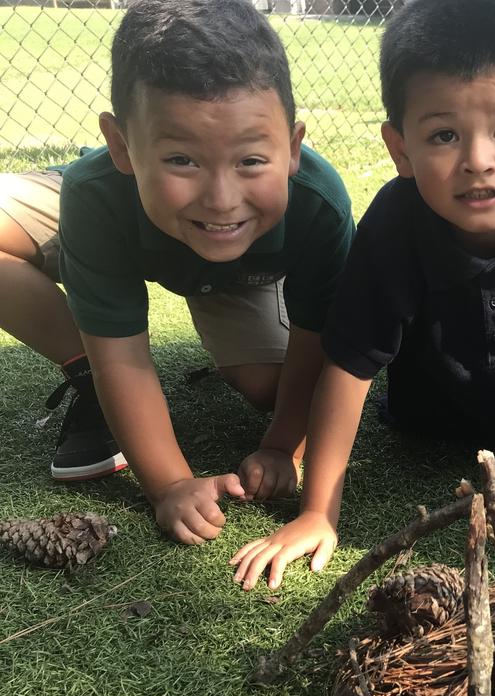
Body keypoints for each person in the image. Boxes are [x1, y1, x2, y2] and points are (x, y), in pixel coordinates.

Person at [230, 0, 495, 594]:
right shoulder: (391, 225)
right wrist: (318, 512)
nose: (477, 161)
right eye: (443, 135)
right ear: (400, 149)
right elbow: (350, 365)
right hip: (421, 421)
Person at [0, 0, 354, 544]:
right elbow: (120, 350)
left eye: (252, 160)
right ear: (121, 145)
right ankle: (83, 373)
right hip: (113, 208)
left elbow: (321, 338)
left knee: (270, 390)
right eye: (182, 160)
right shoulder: (95, 191)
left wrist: (283, 443)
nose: (220, 197)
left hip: (240, 274)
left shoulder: (318, 205)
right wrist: (168, 484)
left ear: (293, 147)